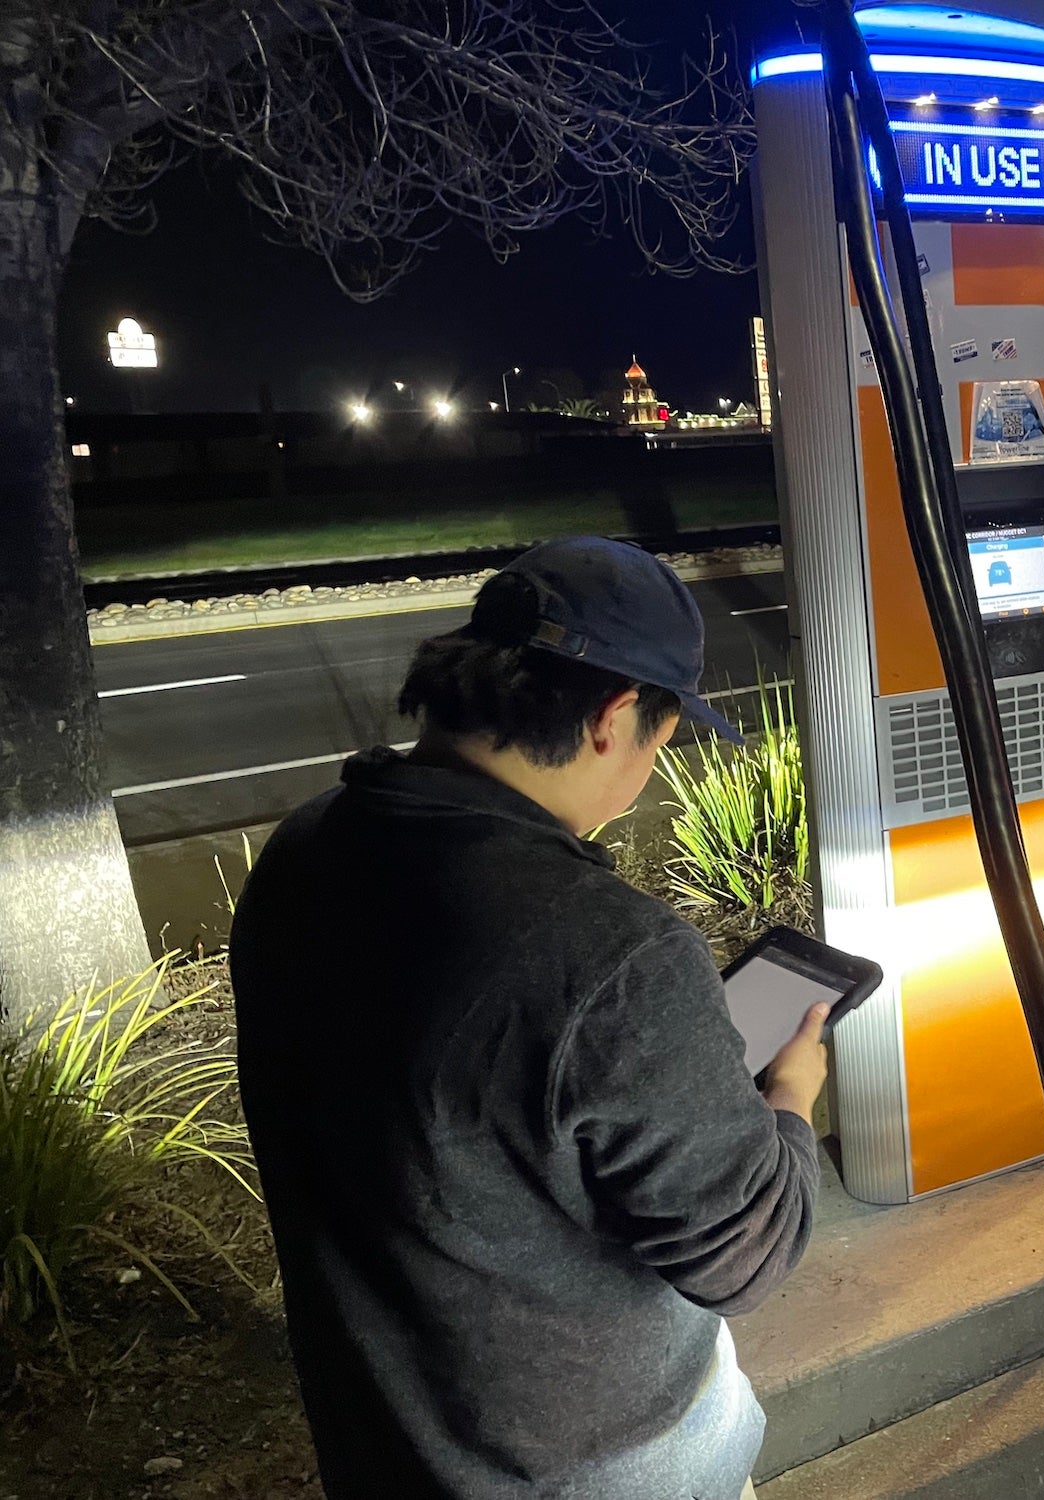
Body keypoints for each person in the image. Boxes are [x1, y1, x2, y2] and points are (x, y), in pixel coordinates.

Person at [231, 537, 825, 1500]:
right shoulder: (609, 950)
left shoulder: (308, 848)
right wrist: (788, 1103)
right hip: (596, 1467)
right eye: (661, 745)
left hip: (386, 1443)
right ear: (615, 715)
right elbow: (742, 1258)